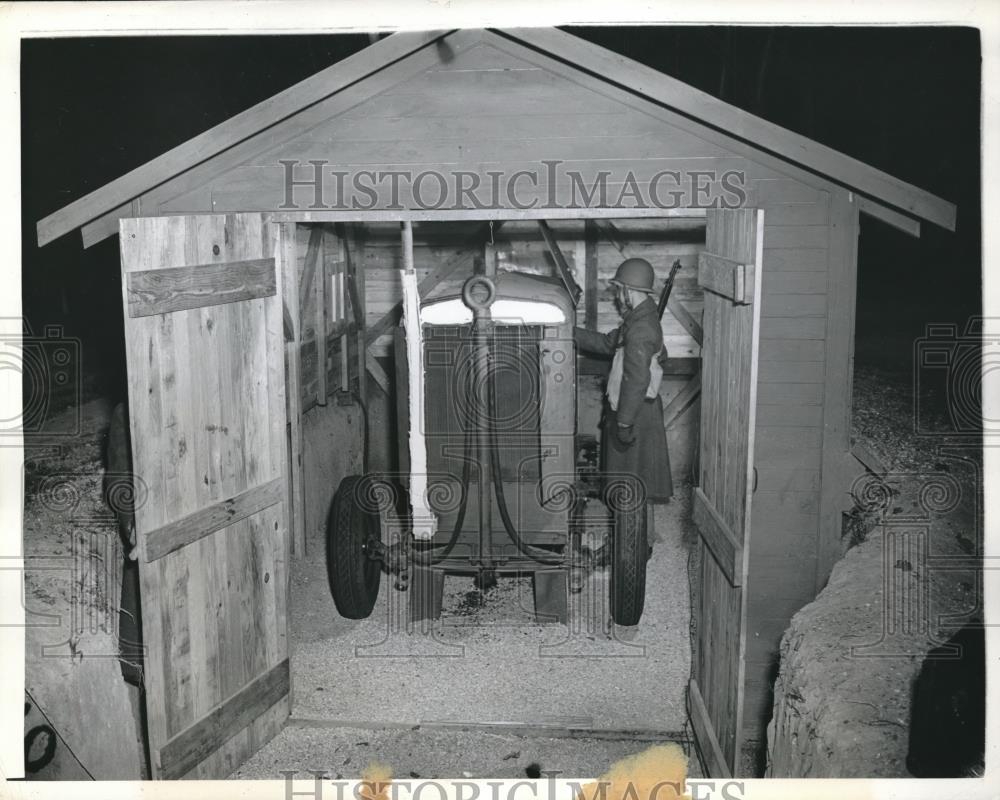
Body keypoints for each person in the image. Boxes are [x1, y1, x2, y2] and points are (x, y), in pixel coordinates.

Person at [574, 257, 673, 509]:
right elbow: (608, 343)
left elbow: (636, 380)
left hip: (634, 413)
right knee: (632, 488)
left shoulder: (641, 329)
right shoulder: (637, 321)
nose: (617, 296)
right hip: (634, 410)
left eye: (619, 290)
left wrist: (625, 422)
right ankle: (637, 540)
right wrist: (568, 332)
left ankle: (634, 544)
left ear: (629, 290)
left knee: (629, 491)